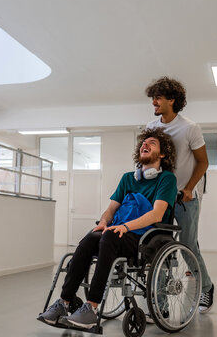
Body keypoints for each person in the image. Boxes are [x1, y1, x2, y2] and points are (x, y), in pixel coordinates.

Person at [37, 128, 177, 330]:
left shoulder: (167, 179)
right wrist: (104, 222)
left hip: (145, 238)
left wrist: (125, 226)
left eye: (152, 143)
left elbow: (156, 214)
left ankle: (91, 308)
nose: (145, 145)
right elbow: (111, 209)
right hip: (117, 233)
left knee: (109, 237)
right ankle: (64, 302)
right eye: (143, 143)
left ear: (163, 154)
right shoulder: (129, 178)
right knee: (91, 237)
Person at [145, 76, 214, 313]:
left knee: (188, 245)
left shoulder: (190, 128)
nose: (153, 102)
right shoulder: (150, 128)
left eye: (158, 98)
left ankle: (206, 288)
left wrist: (189, 188)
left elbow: (203, 162)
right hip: (160, 198)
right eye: (153, 98)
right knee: (159, 247)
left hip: (186, 198)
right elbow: (147, 160)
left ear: (172, 100)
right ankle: (161, 303)